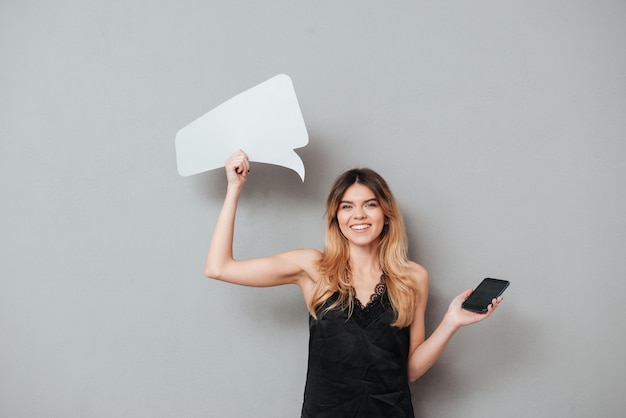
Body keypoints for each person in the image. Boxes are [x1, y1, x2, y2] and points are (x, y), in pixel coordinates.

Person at [205, 150, 502, 418]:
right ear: (336, 217)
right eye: (347, 206)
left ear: (385, 214)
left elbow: (408, 371)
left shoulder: (413, 276)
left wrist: (451, 321)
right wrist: (234, 188)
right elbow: (219, 268)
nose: (358, 215)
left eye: (369, 205)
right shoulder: (312, 267)